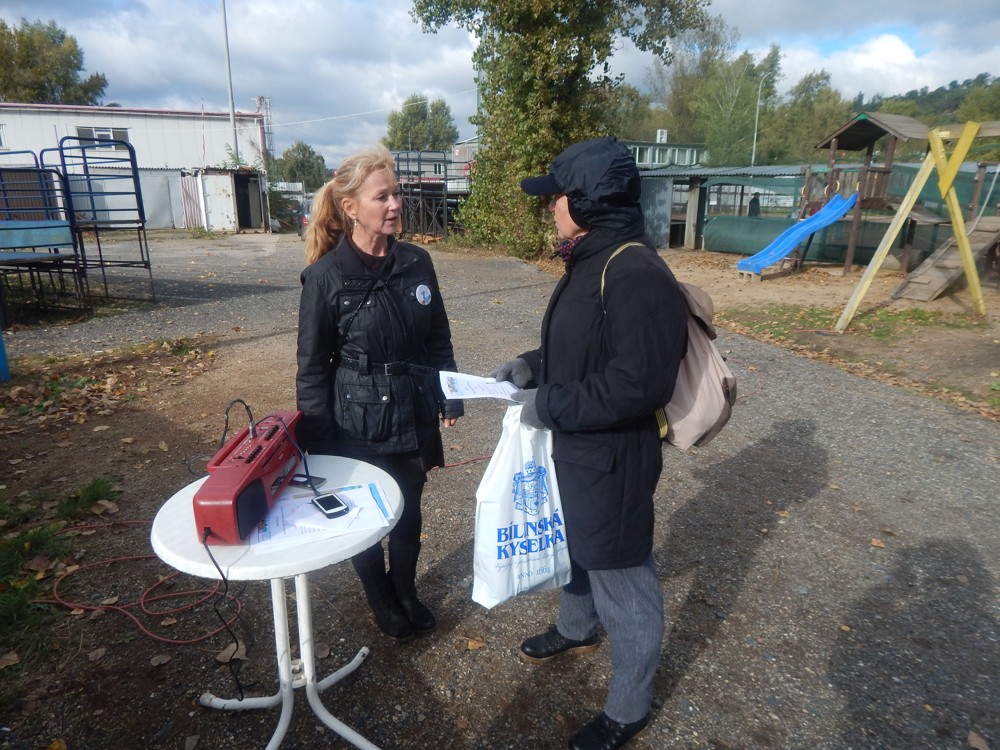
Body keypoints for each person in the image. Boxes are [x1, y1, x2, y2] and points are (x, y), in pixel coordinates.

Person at [489, 137, 688, 750]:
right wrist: (531, 365)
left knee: (623, 576)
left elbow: (638, 383)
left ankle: (630, 706)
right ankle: (577, 627)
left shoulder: (635, 272)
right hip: (579, 447)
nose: (549, 207)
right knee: (577, 545)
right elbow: (582, 347)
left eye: (556, 197)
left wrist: (548, 405)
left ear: (587, 201)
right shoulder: (590, 258)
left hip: (614, 458)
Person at [295, 145, 463, 641]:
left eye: (396, 194)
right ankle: (382, 599)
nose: (394, 205)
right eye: (381, 196)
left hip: (412, 408)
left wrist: (448, 393)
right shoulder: (324, 278)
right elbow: (311, 369)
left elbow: (438, 337)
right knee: (364, 514)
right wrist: (319, 440)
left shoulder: (417, 262)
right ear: (350, 207)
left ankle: (405, 591)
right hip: (356, 420)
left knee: (408, 507)